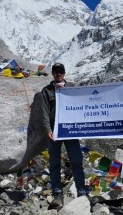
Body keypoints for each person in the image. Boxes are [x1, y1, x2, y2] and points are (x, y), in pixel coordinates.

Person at [41, 63, 87, 209]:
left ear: (64, 73)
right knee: (54, 163)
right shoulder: (47, 91)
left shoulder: (72, 88)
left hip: (70, 130)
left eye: (60, 71)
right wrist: (48, 129)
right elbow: (44, 112)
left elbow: (82, 105)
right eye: (55, 71)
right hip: (54, 132)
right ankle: (57, 192)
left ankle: (81, 190)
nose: (58, 74)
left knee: (76, 160)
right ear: (52, 74)